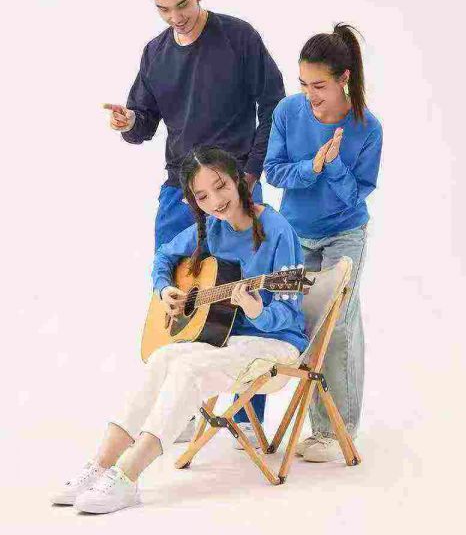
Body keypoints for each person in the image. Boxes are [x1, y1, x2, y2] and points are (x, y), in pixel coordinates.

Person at [51, 147, 308, 514]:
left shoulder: (277, 230)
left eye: (220, 186)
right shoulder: (211, 228)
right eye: (202, 196)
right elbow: (164, 256)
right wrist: (163, 288)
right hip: (228, 340)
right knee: (163, 357)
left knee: (188, 367)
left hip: (276, 346)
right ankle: (100, 465)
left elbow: (288, 311)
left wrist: (258, 311)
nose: (215, 201)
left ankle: (127, 476)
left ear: (238, 179)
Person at [103, 0, 285, 434]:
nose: (175, 17)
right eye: (163, 9)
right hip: (178, 194)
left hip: (233, 188)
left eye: (182, 4)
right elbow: (144, 122)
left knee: (244, 296)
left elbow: (274, 105)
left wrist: (250, 174)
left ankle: (246, 417)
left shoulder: (238, 37)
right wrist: (129, 121)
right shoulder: (155, 53)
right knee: (176, 296)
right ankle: (177, 415)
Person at [263, 23, 382, 462]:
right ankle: (313, 423)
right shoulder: (287, 112)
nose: (309, 94)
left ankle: (333, 431)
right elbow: (273, 171)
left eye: (319, 86)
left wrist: (331, 166)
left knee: (338, 324)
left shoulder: (367, 127)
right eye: (303, 84)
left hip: (344, 233)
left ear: (343, 79)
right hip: (296, 233)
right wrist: (313, 165)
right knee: (303, 322)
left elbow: (355, 195)